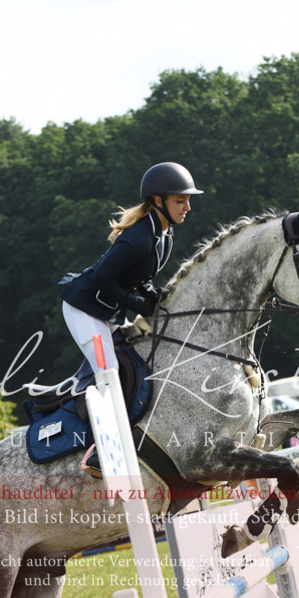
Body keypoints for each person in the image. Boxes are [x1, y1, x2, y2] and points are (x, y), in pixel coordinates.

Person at [59, 162, 203, 474]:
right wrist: (136, 302)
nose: (188, 207)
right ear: (158, 201)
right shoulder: (137, 237)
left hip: (107, 309)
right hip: (84, 308)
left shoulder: (165, 237)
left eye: (187, 200)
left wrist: (150, 294)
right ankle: (101, 448)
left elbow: (138, 276)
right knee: (108, 369)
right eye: (181, 200)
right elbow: (100, 278)